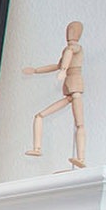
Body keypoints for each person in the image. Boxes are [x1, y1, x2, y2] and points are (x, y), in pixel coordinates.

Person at [24, 21, 86, 168]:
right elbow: (57, 65)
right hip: (69, 91)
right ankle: (37, 148)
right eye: (68, 30)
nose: (69, 33)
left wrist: (64, 70)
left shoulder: (75, 48)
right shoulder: (67, 49)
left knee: (80, 123)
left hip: (75, 88)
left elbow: (69, 54)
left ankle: (81, 158)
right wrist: (36, 70)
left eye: (72, 30)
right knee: (40, 115)